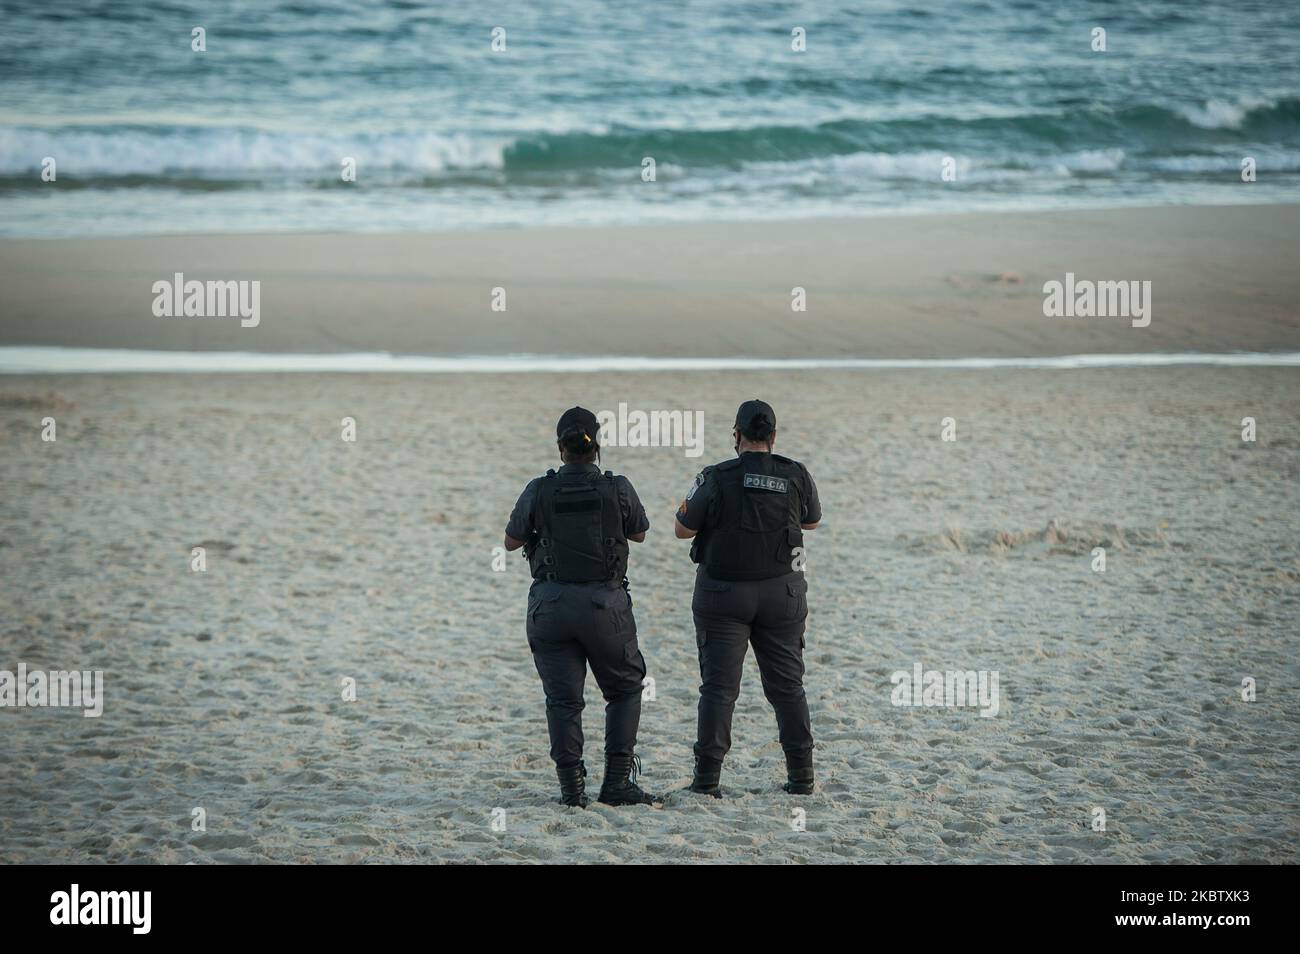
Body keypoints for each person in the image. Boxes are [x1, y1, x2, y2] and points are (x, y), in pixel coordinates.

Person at [504, 407, 660, 808]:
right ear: (597, 447)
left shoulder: (539, 489)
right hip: (604, 606)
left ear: (560, 448)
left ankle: (572, 791)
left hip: (550, 606)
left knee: (563, 700)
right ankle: (617, 783)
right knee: (625, 690)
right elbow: (640, 533)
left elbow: (511, 541)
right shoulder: (617, 487)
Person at [674, 399, 821, 797]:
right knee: (788, 688)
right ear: (773, 437)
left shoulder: (715, 477)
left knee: (719, 690)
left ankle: (707, 782)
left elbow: (682, 529)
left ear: (736, 436)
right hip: (782, 593)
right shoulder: (795, 474)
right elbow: (812, 520)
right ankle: (802, 778)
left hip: (723, 596)